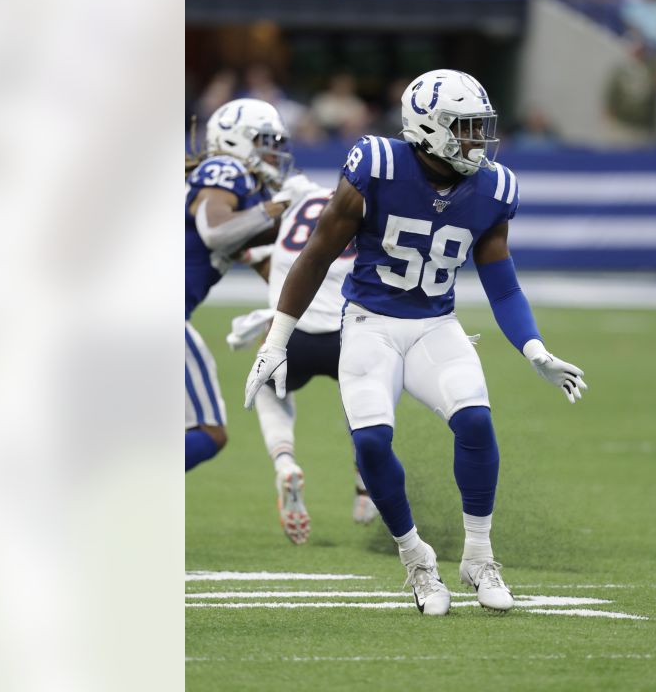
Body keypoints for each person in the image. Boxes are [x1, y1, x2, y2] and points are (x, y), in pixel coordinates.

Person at [243, 69, 587, 615]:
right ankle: (417, 561)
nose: (478, 140)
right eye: (465, 128)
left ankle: (479, 555)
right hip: (369, 324)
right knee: (373, 442)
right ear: (427, 128)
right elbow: (317, 253)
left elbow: (503, 282)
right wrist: (278, 336)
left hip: (436, 326)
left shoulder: (494, 186)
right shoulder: (378, 165)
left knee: (475, 419)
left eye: (481, 127)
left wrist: (534, 348)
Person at [227, 174, 380, 544]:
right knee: (369, 399)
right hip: (348, 331)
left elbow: (259, 244)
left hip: (292, 332)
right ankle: (365, 481)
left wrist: (251, 255)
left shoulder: (296, 192)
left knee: (266, 389)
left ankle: (285, 462)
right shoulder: (374, 201)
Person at [185, 98, 294, 473]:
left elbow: (265, 262)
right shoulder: (224, 167)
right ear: (237, 139)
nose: (275, 151)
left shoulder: (246, 195)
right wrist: (277, 209)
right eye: (267, 139)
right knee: (209, 433)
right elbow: (216, 231)